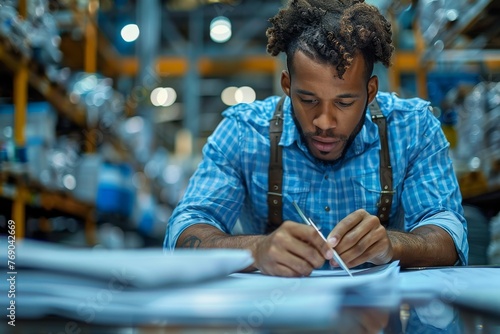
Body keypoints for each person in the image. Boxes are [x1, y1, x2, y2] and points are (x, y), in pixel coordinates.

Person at [164, 0, 468, 277]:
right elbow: (183, 230)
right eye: (308, 100)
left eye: (344, 103)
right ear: (287, 84)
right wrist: (256, 250)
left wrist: (393, 244)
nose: (324, 122)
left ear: (370, 91)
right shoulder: (244, 132)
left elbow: (449, 235)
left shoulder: (412, 128)